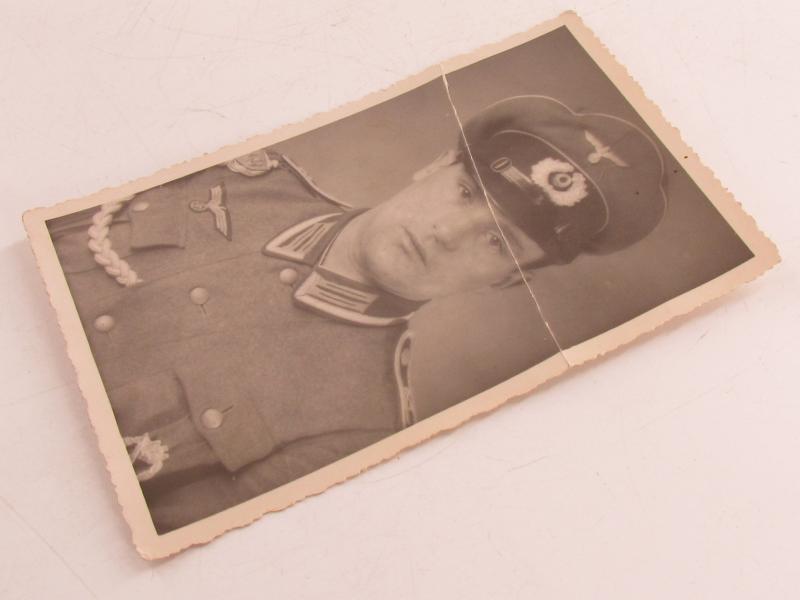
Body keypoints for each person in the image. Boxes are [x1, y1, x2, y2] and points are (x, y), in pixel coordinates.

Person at [49, 95, 666, 532]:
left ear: (511, 280)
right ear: (433, 167)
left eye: (499, 242)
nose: (449, 232)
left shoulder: (354, 433)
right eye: (465, 193)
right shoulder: (243, 174)